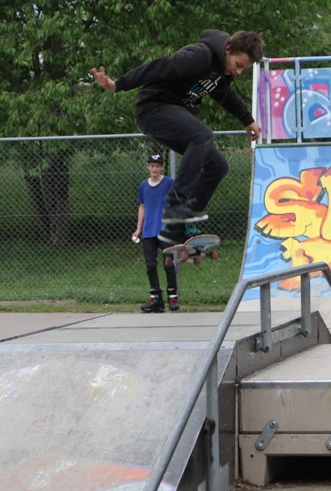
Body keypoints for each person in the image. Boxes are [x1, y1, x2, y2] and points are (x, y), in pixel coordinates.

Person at [91, 29, 265, 246]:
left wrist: (247, 120)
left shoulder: (221, 73)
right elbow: (158, 66)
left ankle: (176, 229)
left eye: (243, 69)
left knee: (217, 166)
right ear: (227, 49)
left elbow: (225, 96)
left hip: (171, 114)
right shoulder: (199, 56)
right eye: (238, 65)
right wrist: (118, 84)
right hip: (153, 109)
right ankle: (175, 205)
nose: (238, 71)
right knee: (203, 135)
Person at [132, 153, 179, 313]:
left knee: (168, 263)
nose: (155, 169)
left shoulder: (169, 183)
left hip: (165, 230)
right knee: (150, 265)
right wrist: (138, 229)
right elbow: (142, 206)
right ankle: (156, 298)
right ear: (148, 167)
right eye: (152, 166)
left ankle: (172, 296)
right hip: (149, 231)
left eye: (157, 166)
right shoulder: (143, 185)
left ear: (162, 167)